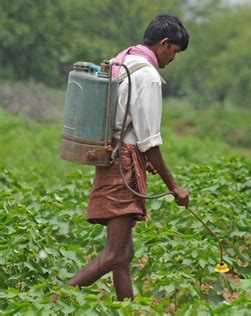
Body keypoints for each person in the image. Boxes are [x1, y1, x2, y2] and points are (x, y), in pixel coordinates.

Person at [53, 14, 190, 302]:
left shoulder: (125, 62)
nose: (173, 58)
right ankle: (50, 302)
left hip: (112, 156)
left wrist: (147, 158)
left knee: (124, 255)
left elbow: (125, 124)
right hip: (123, 165)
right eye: (175, 51)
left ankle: (126, 308)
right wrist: (173, 186)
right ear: (164, 43)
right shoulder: (149, 76)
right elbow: (149, 141)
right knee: (115, 254)